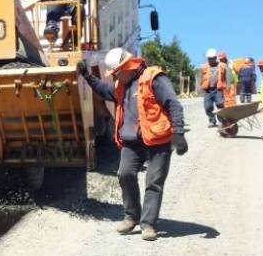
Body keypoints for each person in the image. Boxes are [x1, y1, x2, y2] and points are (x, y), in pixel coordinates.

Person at [78, 48, 187, 241]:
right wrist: (87, 76)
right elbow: (105, 91)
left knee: (153, 182)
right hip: (132, 142)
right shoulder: (122, 84)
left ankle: (148, 224)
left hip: (157, 141)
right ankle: (131, 216)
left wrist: (178, 133)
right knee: (125, 174)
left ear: (127, 66)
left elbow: (173, 104)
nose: (116, 76)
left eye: (117, 72)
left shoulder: (154, 78)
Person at [198, 48, 232, 127]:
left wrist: (228, 86)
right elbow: (199, 78)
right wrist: (199, 88)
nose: (211, 60)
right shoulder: (203, 67)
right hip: (208, 90)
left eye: (212, 58)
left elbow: (228, 77)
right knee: (207, 107)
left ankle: (221, 120)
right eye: (209, 59)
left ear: (215, 58)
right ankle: (212, 120)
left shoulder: (223, 66)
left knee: (220, 104)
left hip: (218, 90)